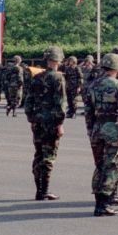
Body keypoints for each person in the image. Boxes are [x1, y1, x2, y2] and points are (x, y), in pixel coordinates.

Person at [85, 53, 118, 216]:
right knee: (111, 166)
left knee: (99, 166)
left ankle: (98, 201)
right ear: (117, 67)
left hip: (97, 128)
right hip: (113, 128)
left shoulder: (92, 85)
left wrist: (90, 130)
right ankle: (103, 204)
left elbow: (88, 112)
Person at [24, 47, 67, 200]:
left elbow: (28, 101)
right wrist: (60, 124)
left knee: (39, 154)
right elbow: (60, 104)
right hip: (50, 122)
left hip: (37, 121)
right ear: (58, 60)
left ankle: (39, 190)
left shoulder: (36, 77)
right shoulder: (58, 78)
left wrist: (31, 119)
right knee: (48, 156)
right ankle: (44, 190)